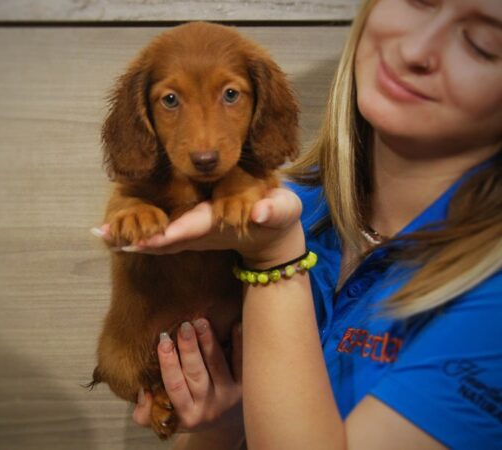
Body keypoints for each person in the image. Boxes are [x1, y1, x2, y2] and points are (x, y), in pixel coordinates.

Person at [94, 0, 502, 447]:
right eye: (420, 0)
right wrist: (225, 420)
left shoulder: (492, 301)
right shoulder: (285, 202)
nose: (416, 50)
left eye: (484, 43)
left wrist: (272, 259)